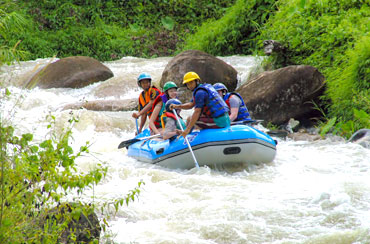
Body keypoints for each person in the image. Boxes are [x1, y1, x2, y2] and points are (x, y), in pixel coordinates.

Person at [170, 71, 230, 139]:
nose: (190, 85)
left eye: (191, 82)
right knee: (191, 118)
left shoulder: (200, 93)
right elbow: (190, 105)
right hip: (225, 118)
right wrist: (177, 106)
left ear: (197, 81)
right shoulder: (204, 88)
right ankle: (186, 132)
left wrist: (188, 129)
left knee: (190, 119)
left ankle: (187, 133)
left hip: (220, 121)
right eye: (188, 84)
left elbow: (197, 111)